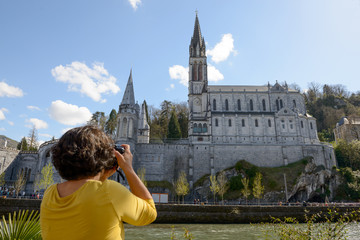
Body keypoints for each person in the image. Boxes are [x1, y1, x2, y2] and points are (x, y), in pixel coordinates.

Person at [40, 125, 157, 240]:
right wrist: (128, 169)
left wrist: (102, 174)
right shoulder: (109, 191)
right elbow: (150, 213)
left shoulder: (50, 193)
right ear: (102, 156)